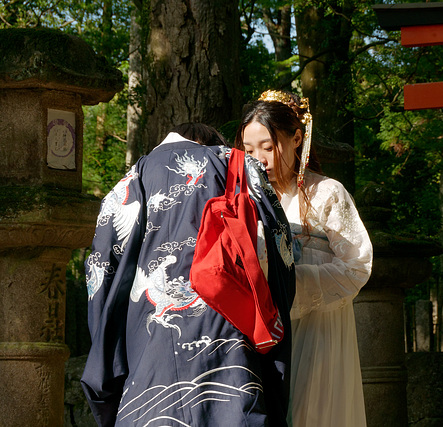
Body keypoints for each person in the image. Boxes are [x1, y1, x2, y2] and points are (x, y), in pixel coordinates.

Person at [81, 123, 295, 426]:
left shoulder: (133, 178)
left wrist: (108, 355)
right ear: (207, 142)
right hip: (230, 329)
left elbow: (100, 270)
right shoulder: (237, 163)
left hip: (148, 343)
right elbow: (279, 250)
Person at [235, 91, 373, 426]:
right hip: (261, 328)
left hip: (318, 326)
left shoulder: (327, 193)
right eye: (249, 150)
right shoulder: (244, 202)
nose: (258, 159)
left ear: (296, 138)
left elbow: (356, 267)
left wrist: (289, 284)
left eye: (268, 147)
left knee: (311, 411)